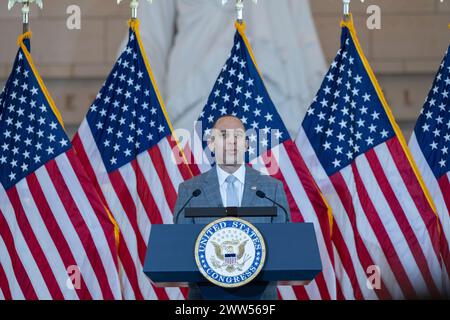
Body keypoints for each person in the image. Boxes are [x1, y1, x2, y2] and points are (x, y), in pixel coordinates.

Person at [173, 115, 290, 300]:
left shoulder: (271, 189)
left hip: (260, 298)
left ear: (246, 144)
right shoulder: (190, 191)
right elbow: (180, 246)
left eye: (238, 136)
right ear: (211, 144)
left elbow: (285, 244)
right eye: (224, 135)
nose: (232, 141)